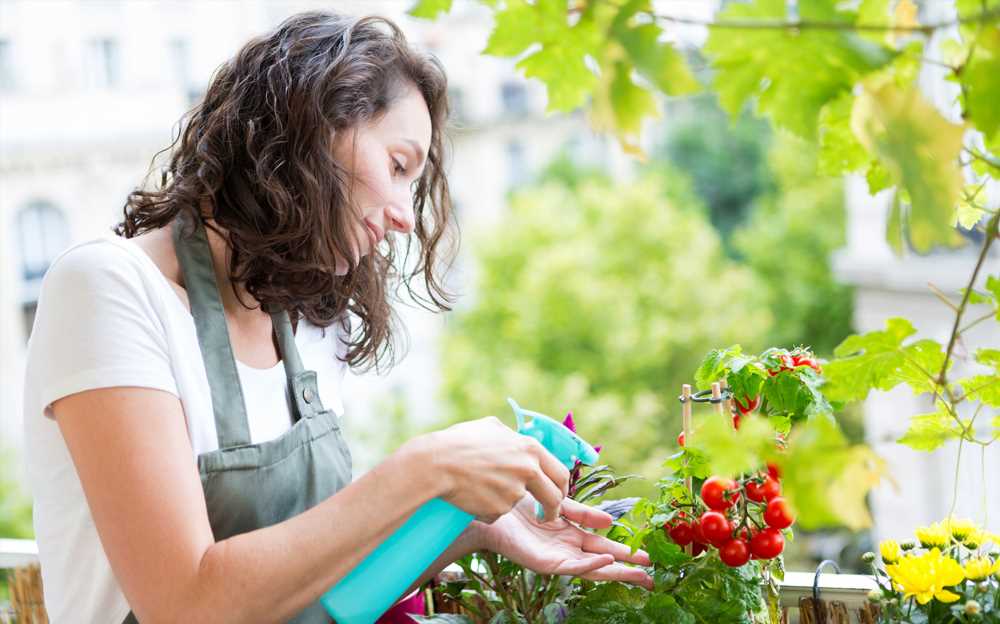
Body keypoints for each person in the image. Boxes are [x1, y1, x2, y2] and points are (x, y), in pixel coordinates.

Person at [22, 10, 653, 623]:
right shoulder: (108, 289)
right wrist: (419, 473)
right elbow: (185, 603)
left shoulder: (310, 319)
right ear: (311, 132)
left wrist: (464, 527)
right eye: (398, 166)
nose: (407, 215)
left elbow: (323, 591)